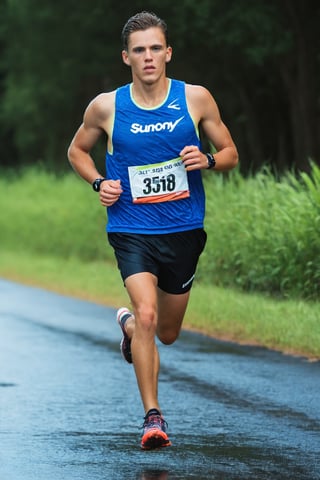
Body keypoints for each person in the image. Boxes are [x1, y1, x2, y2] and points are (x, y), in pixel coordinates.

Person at [67, 11, 238, 450]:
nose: (148, 57)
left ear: (168, 53)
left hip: (183, 228)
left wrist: (210, 161)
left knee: (166, 332)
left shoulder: (195, 99)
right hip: (130, 228)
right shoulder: (107, 106)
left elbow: (231, 151)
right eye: (139, 50)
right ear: (126, 57)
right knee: (146, 314)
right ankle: (152, 417)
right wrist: (99, 183)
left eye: (155, 48)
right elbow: (77, 151)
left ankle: (129, 332)